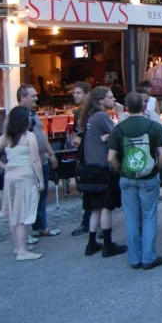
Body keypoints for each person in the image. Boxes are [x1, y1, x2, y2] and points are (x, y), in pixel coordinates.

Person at [108, 92, 162, 270]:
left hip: (127, 177)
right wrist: (157, 168)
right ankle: (148, 257)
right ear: (143, 105)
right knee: (149, 217)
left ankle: (134, 259)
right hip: (149, 177)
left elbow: (111, 157)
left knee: (131, 218)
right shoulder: (154, 126)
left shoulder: (118, 129)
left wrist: (120, 169)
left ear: (126, 107)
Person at [0, 106, 45, 261]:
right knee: (23, 214)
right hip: (25, 176)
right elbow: (35, 159)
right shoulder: (29, 136)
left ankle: (19, 245)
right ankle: (22, 251)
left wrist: (3, 166)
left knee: (13, 213)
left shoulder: (7, 137)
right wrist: (41, 179)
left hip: (11, 176)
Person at [78, 87, 127, 258]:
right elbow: (119, 134)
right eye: (110, 97)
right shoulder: (101, 116)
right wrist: (121, 114)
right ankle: (107, 244)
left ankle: (91, 243)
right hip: (101, 167)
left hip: (90, 167)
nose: (114, 100)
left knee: (95, 208)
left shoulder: (91, 116)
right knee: (106, 206)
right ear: (100, 100)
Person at [8, 85, 59, 243]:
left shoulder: (34, 114)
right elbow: (9, 139)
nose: (36, 98)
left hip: (42, 160)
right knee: (27, 198)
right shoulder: (15, 117)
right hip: (28, 163)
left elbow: (42, 135)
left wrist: (51, 154)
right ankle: (25, 233)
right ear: (23, 97)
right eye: (33, 96)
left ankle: (40, 227)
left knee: (41, 197)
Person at [69, 82, 94, 237]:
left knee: (94, 189)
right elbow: (77, 131)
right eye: (74, 93)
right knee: (85, 189)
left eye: (78, 93)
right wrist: (77, 137)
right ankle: (87, 221)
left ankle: (95, 223)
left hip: (92, 154)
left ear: (87, 94)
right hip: (82, 154)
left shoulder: (94, 112)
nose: (75, 95)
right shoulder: (78, 112)